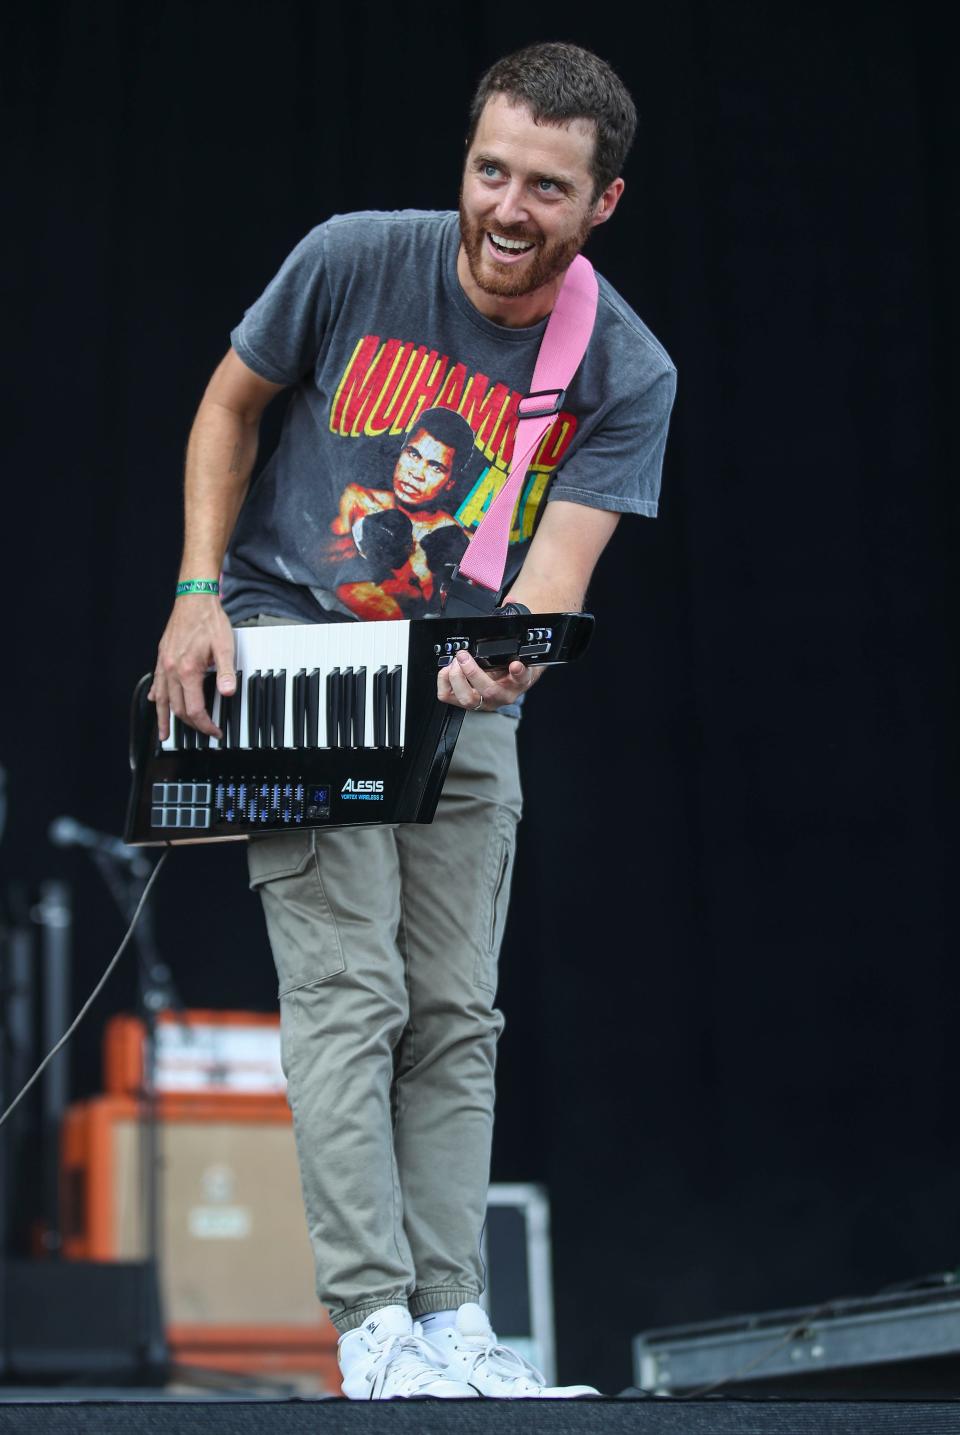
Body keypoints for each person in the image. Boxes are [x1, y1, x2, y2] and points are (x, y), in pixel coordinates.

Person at [149, 41, 676, 1399]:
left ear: (601, 202)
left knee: (456, 1007)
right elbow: (227, 408)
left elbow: (549, 589)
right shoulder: (350, 257)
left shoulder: (621, 366)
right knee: (351, 986)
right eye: (489, 169)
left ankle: (452, 1323)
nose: (507, 207)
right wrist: (198, 592)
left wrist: (507, 669)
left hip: (449, 670)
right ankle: (373, 1322)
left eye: (546, 188)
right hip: (292, 635)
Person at [330, 406, 474, 619]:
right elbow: (318, 558)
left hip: (406, 640)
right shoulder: (358, 500)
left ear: (450, 482)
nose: (416, 473)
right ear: (402, 451)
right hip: (323, 616)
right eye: (413, 454)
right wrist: (363, 538)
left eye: (435, 468)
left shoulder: (457, 541)